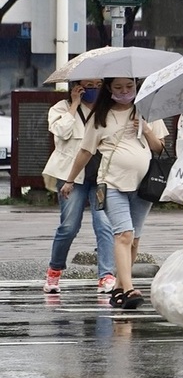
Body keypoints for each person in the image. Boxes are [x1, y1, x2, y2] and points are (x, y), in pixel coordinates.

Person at [60, 77, 169, 310]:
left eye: (129, 86)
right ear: (108, 89)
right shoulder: (100, 117)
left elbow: (160, 147)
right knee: (123, 235)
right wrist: (70, 180)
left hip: (143, 186)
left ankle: (120, 287)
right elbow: (85, 151)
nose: (124, 91)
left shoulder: (147, 111)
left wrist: (146, 128)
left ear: (136, 86)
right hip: (111, 184)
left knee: (134, 238)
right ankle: (129, 289)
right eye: (118, 87)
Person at [41, 79, 116, 294]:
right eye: (88, 84)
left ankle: (106, 275)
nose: (93, 88)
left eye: (98, 84)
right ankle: (54, 271)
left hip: (102, 176)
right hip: (70, 177)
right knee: (69, 226)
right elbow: (62, 132)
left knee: (104, 224)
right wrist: (74, 104)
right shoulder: (61, 108)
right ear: (77, 86)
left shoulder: (108, 109)